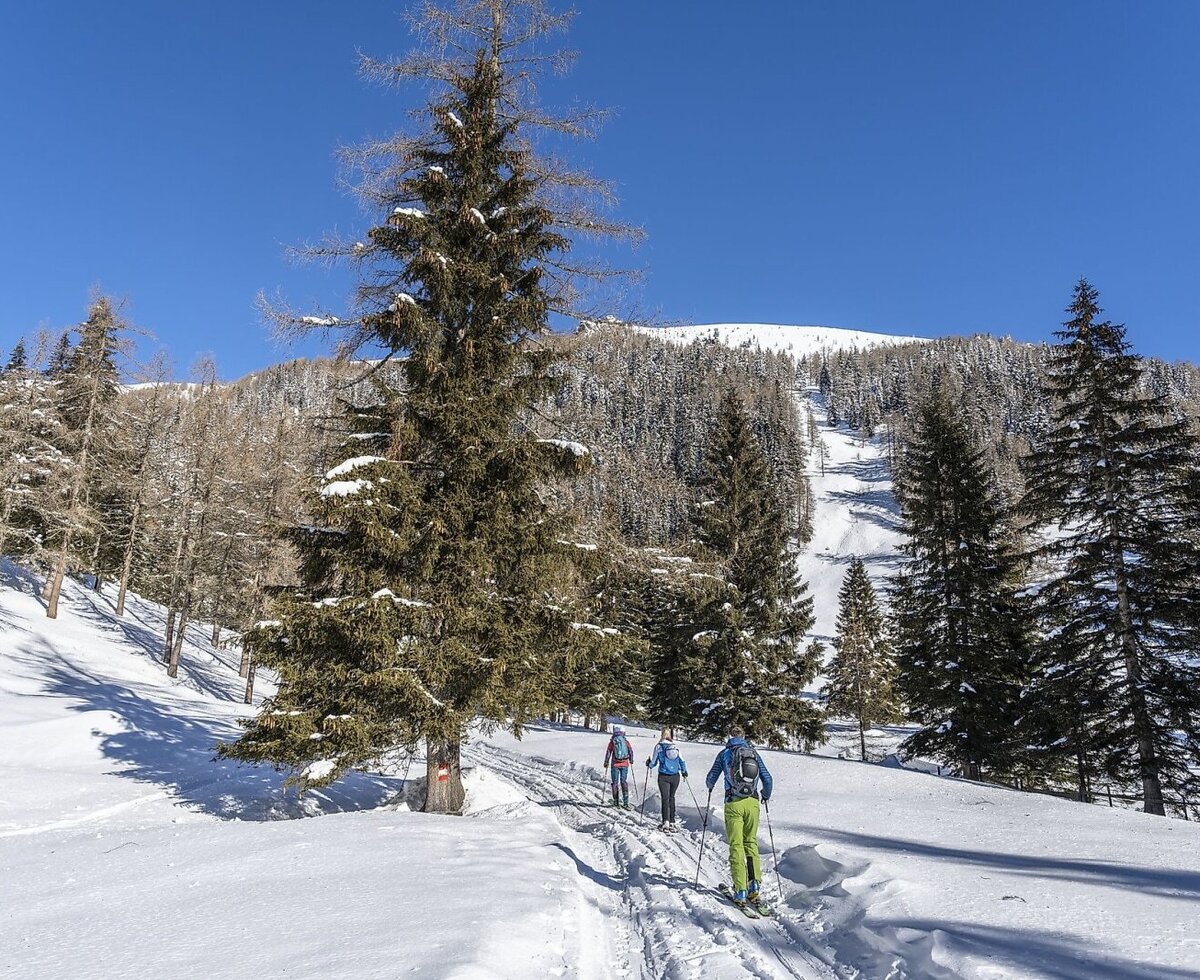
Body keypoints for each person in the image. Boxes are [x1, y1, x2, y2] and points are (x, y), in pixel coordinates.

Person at [705, 725, 773, 907]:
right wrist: (765, 795)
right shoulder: (753, 754)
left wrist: (710, 785)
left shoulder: (724, 754)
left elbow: (711, 777)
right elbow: (768, 779)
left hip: (734, 803)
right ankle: (754, 887)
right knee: (750, 842)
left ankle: (740, 890)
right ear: (744, 736)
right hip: (752, 803)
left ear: (729, 736)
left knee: (736, 845)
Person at [646, 727, 689, 831]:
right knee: (672, 797)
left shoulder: (659, 747)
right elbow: (682, 760)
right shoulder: (675, 746)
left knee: (665, 798)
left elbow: (654, 762)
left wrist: (649, 764)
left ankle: (665, 821)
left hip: (663, 776)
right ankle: (672, 821)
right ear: (670, 735)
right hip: (676, 776)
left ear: (662, 734)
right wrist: (684, 772)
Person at [603, 724, 634, 808]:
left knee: (615, 782)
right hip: (625, 763)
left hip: (615, 764)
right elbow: (630, 751)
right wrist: (631, 760)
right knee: (623, 781)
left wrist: (606, 762)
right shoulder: (625, 741)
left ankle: (616, 801)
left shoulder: (612, 741)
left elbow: (609, 752)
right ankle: (625, 802)